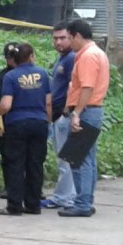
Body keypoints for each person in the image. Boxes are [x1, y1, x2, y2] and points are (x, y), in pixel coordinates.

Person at [59, 19, 110, 218]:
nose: (69, 43)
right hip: (92, 110)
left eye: (70, 38)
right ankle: (86, 200)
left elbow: (87, 87)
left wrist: (76, 113)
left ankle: (82, 203)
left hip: (86, 110)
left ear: (78, 36)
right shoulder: (98, 53)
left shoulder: (88, 56)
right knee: (88, 158)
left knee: (79, 159)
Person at [0, 44, 51, 216]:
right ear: (32, 56)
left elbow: (6, 104)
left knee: (16, 164)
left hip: (17, 124)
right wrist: (47, 121)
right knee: (35, 164)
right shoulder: (43, 74)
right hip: (39, 123)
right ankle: (33, 205)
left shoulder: (11, 76)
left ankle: (14, 206)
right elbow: (48, 102)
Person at [41, 22, 76, 210]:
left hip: (64, 115)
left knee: (66, 161)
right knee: (64, 160)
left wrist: (66, 112)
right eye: (55, 38)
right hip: (57, 115)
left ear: (71, 37)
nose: (58, 42)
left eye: (62, 38)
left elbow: (73, 86)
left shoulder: (71, 59)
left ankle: (65, 198)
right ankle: (65, 197)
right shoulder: (62, 59)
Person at [0, 42, 18, 199]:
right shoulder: (2, 76)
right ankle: (10, 187)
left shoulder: (28, 74)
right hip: (6, 121)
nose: (11, 60)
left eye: (14, 57)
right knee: (7, 155)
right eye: (9, 58)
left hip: (21, 119)